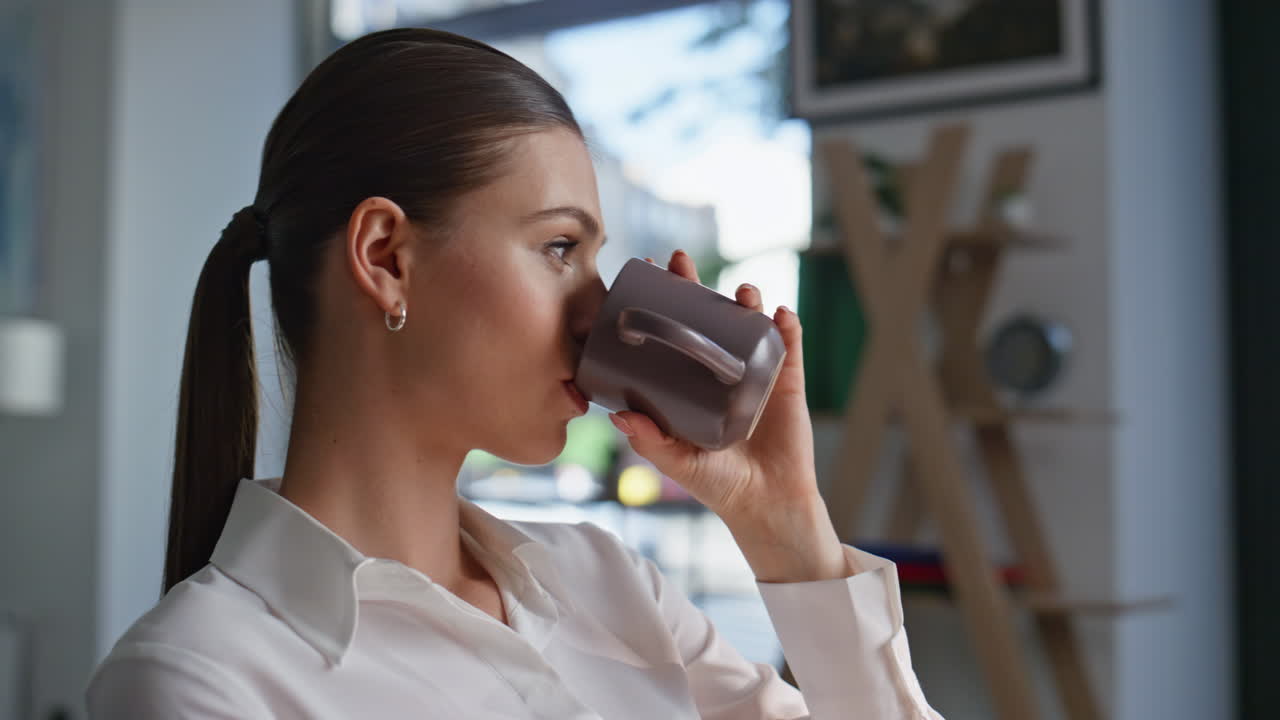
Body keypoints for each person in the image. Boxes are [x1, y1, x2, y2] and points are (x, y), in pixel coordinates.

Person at [85, 28, 943, 719]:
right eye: (560, 248)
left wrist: (784, 526)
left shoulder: (611, 585)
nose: (601, 310)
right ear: (386, 257)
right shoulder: (201, 682)